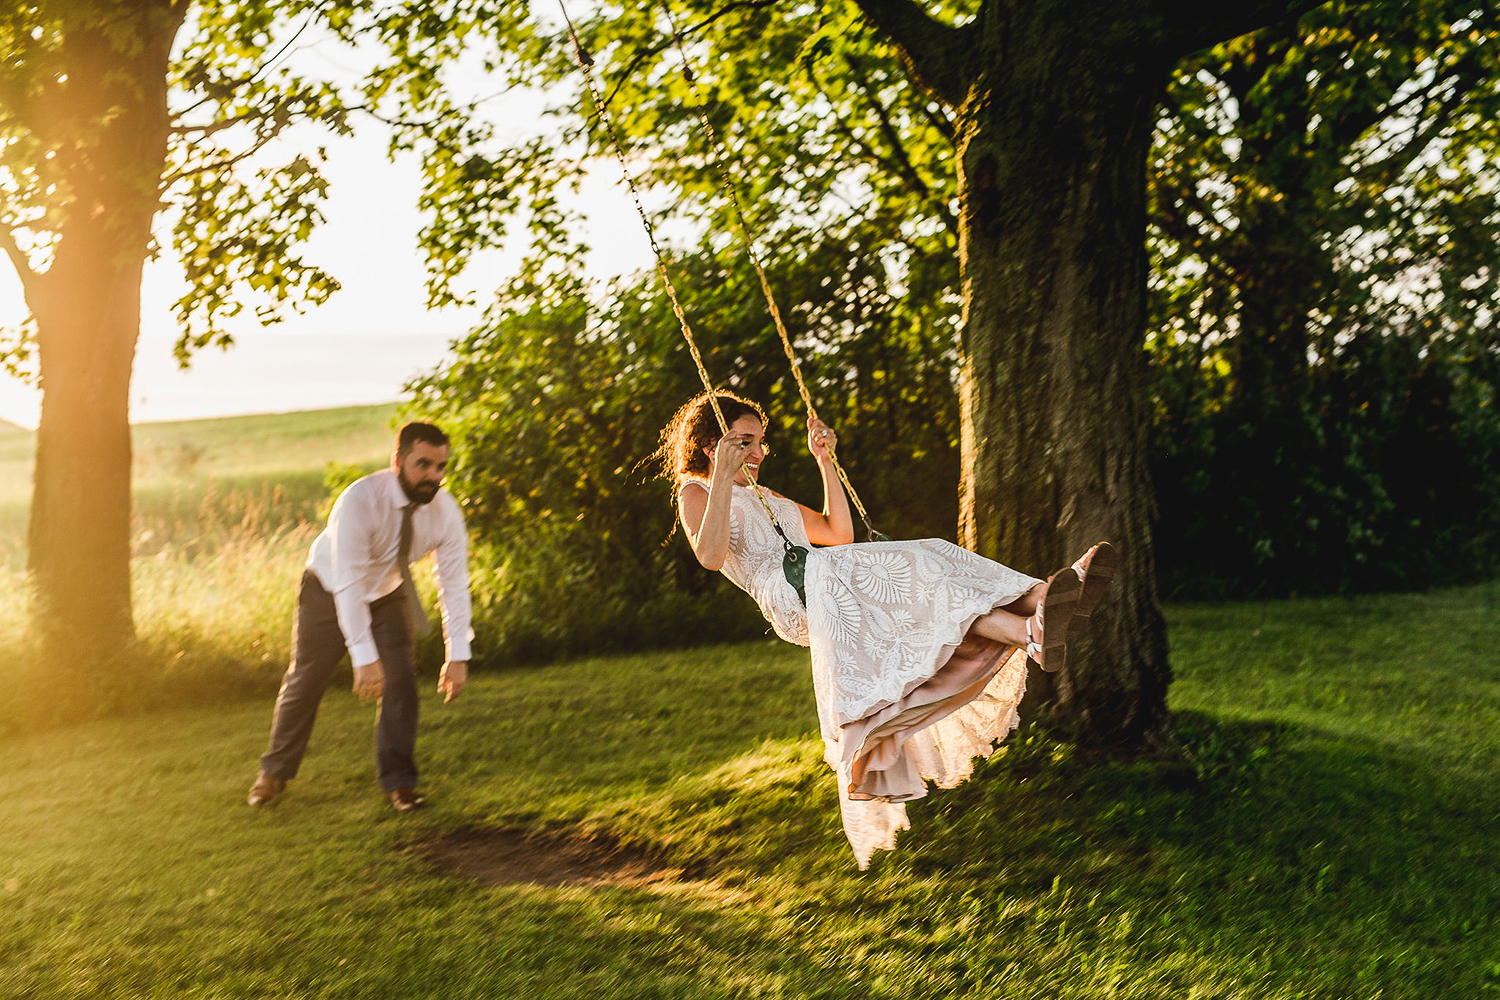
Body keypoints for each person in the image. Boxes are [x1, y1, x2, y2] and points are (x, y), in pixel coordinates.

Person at [663, 391, 1115, 867]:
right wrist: (719, 478)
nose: (758, 453)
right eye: (746, 441)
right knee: (916, 565)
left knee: (935, 568)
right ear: (713, 445)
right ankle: (1041, 605)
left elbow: (839, 534)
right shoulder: (696, 490)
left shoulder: (764, 494)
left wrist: (825, 461)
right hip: (794, 594)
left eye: (761, 443)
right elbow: (710, 556)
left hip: (826, 577)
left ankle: (1037, 619)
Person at [246, 421, 473, 812]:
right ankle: (273, 774)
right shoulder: (359, 500)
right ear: (397, 461)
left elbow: (453, 583)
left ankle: (399, 784)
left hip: (388, 592)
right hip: (329, 588)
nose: (432, 476)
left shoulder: (445, 511)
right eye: (423, 465)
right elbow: (349, 582)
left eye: (440, 467)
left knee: (401, 678)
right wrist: (363, 657)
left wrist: (458, 653)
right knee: (307, 678)